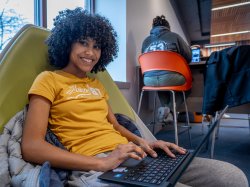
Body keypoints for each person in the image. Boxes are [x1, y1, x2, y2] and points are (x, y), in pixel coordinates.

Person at [21, 8, 248, 187]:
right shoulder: (48, 79)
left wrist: (145, 142)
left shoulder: (96, 84)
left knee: (233, 177)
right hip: (94, 163)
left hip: (132, 153)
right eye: (83, 43)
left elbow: (115, 125)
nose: (90, 53)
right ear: (67, 41)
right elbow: (31, 146)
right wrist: (102, 162)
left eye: (97, 46)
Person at [141, 15, 192, 123]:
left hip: (149, 80)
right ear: (168, 27)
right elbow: (189, 57)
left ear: (153, 27)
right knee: (188, 84)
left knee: (160, 86)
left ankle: (167, 112)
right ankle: (169, 110)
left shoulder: (146, 41)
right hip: (170, 78)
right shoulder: (175, 36)